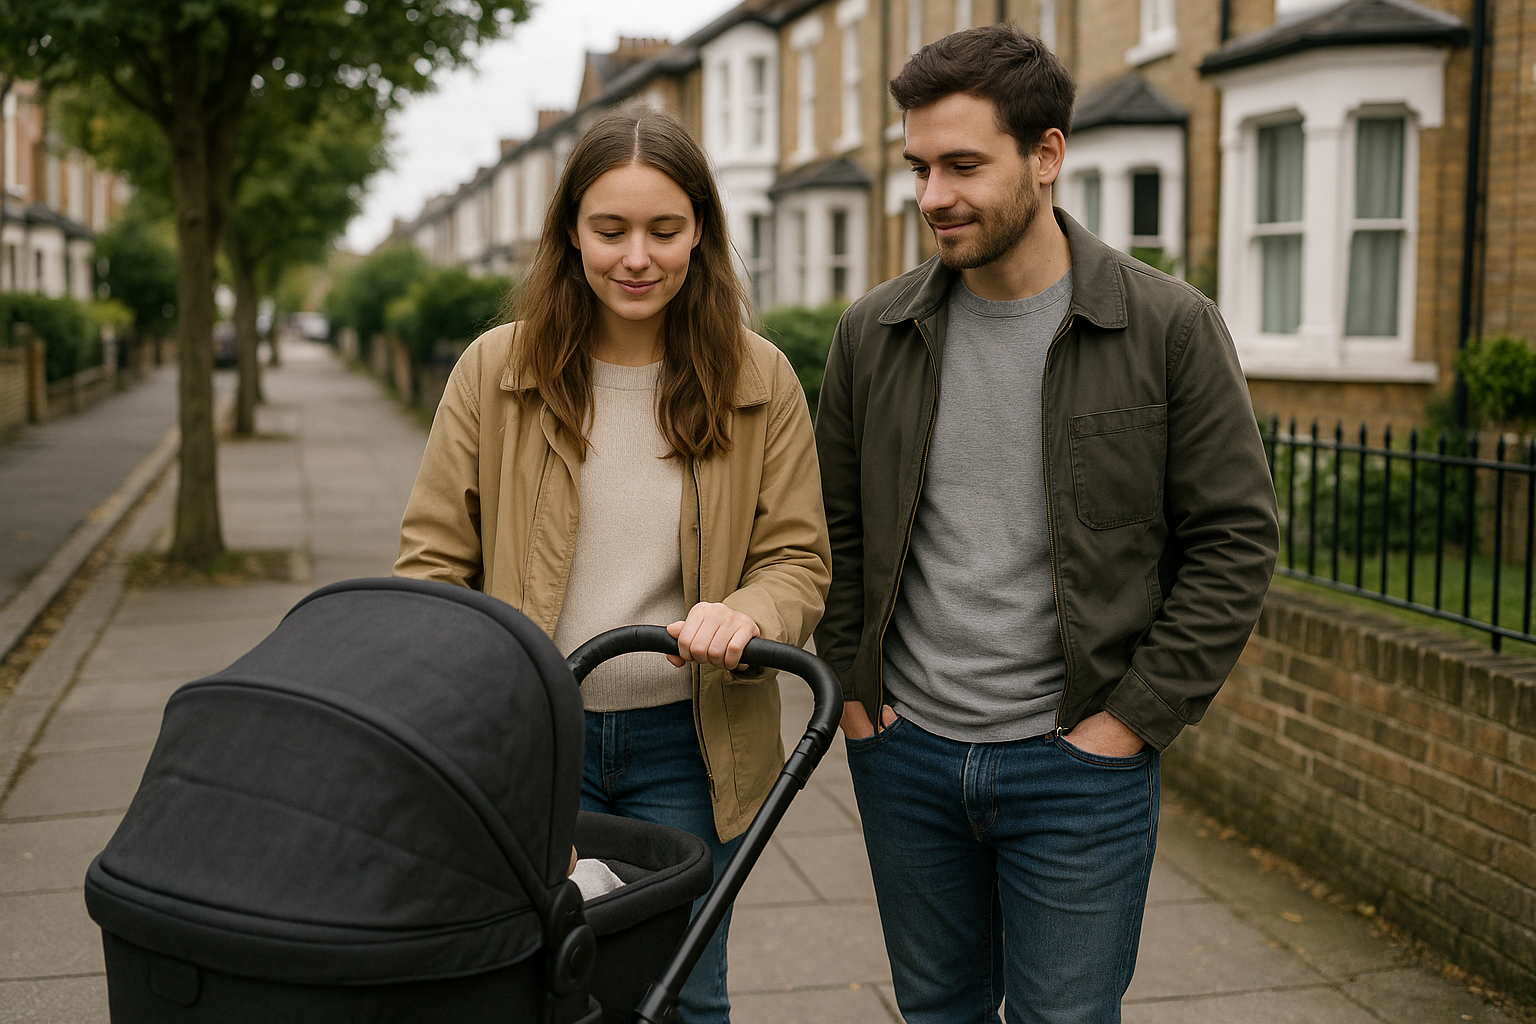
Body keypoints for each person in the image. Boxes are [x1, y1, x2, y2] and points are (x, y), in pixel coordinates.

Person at [813, 24, 1279, 1024]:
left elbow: (1236, 541)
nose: (933, 194)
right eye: (920, 166)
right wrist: (857, 695)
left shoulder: (1167, 327)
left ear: (1047, 154)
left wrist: (1130, 722)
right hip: (908, 753)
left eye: (963, 164)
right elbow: (839, 530)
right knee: (937, 1011)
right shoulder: (873, 333)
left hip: (1079, 763)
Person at [395, 108, 831, 1024]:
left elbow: (795, 557)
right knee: (537, 987)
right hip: (533, 744)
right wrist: (480, 734)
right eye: (611, 230)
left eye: (665, 231)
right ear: (569, 234)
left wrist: (749, 612)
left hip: (693, 739)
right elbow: (432, 568)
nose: (638, 256)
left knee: (687, 994)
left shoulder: (762, 380)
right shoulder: (494, 372)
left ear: (701, 232)